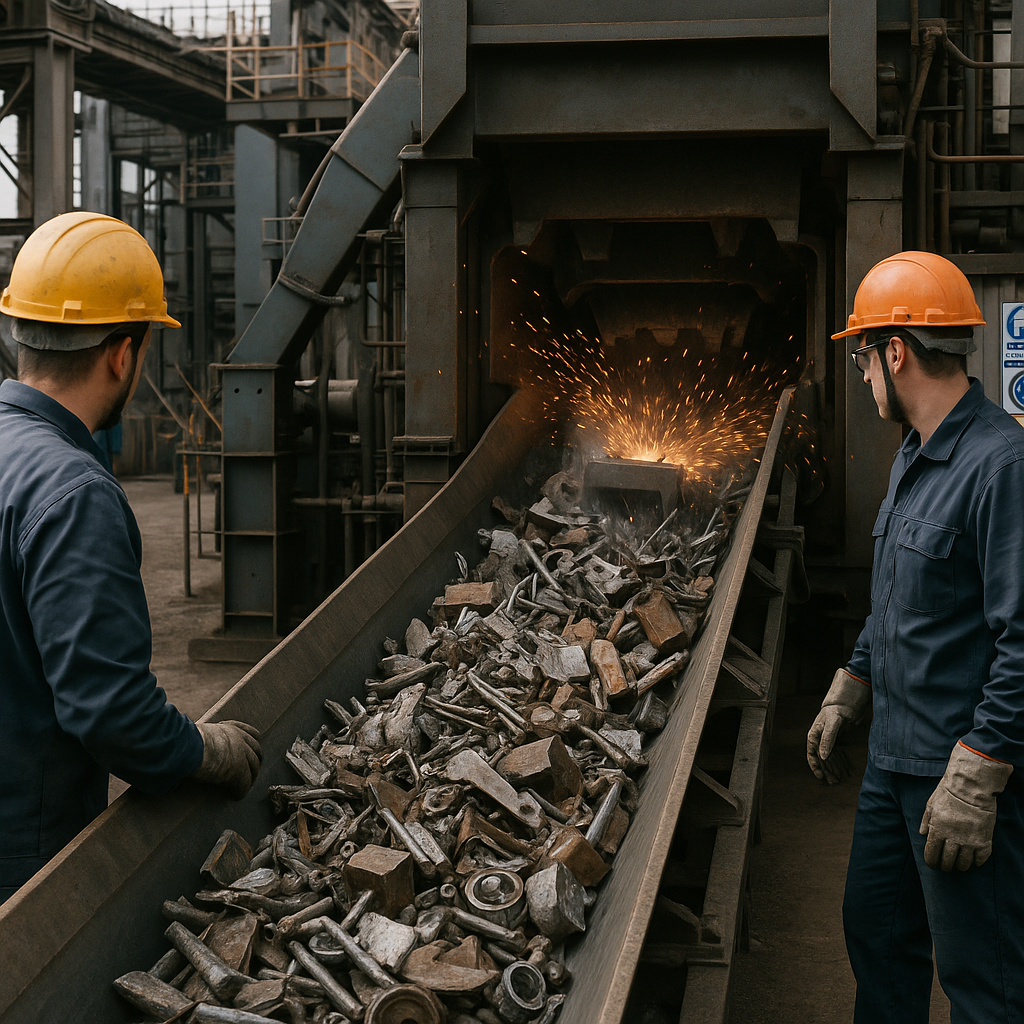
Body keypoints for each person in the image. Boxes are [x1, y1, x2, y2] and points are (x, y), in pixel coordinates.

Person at [0, 212, 262, 904]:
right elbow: (110, 714)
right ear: (123, 354)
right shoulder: (72, 493)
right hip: (23, 854)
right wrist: (209, 751)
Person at [806, 251, 1024, 1022]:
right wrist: (852, 687)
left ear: (894, 351)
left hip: (955, 774)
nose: (864, 375)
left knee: (984, 980)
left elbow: (1022, 640)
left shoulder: (1001, 465)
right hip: (891, 765)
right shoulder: (913, 457)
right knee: (878, 946)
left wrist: (983, 767)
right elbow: (898, 598)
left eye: (863, 356)